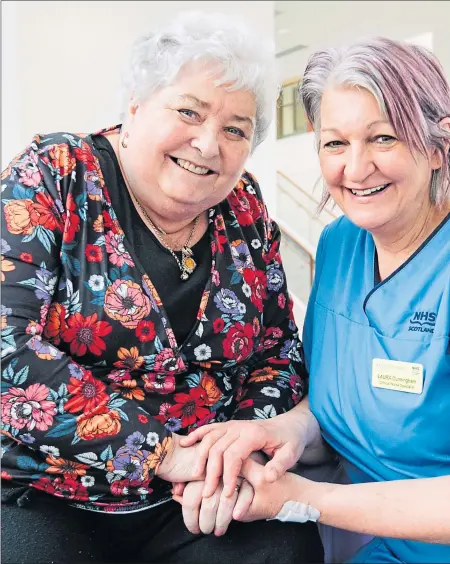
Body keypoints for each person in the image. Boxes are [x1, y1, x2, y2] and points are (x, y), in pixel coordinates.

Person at [0, 11, 324, 564]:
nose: (207, 143)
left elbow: (277, 352)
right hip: (55, 492)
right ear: (135, 104)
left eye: (235, 129)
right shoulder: (55, 173)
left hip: (203, 496)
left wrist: (234, 453)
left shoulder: (243, 206)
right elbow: (9, 349)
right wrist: (164, 453)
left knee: (284, 549)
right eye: (188, 111)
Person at [178, 36, 450, 563]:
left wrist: (306, 500)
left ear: (439, 145)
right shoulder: (339, 245)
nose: (356, 168)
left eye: (383, 138)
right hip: (386, 549)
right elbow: (343, 397)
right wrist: (285, 429)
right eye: (335, 144)